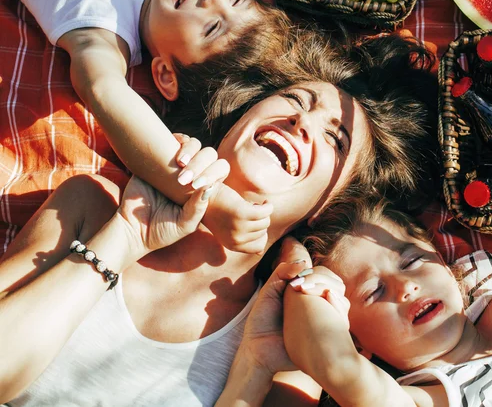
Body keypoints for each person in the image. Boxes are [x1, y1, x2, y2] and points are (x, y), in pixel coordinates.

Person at [0, 28, 439, 406]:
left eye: (335, 139)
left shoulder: (291, 337)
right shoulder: (90, 207)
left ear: (327, 206)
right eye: (293, 99)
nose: (301, 122)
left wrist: (253, 366)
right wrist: (126, 236)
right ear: (238, 120)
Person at [0, 0, 296, 246]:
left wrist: (205, 198)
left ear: (165, 75)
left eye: (211, 26)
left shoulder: (101, 34)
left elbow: (106, 93)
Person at [277, 197, 492, 406]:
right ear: (357, 342)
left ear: (441, 261)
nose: (405, 287)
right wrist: (300, 275)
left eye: (411, 262)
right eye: (374, 292)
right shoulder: (423, 399)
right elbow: (331, 362)